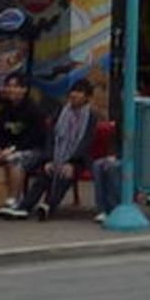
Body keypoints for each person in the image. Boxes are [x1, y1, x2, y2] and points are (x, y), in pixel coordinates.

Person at [18, 79, 98, 220]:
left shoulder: (91, 117)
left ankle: (49, 205)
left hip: (78, 159)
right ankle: (24, 207)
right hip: (56, 155)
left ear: (87, 97)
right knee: (46, 172)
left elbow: (86, 142)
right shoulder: (61, 112)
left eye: (79, 92)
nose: (74, 95)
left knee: (65, 174)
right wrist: (49, 159)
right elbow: (51, 136)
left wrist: (71, 162)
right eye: (72, 91)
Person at [0, 73, 49, 216]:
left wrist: (12, 150)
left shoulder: (34, 110)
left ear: (24, 89)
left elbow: (36, 137)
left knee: (15, 160)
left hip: (34, 150)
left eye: (15, 86)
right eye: (8, 86)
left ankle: (14, 201)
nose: (11, 90)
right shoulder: (4, 111)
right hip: (7, 150)